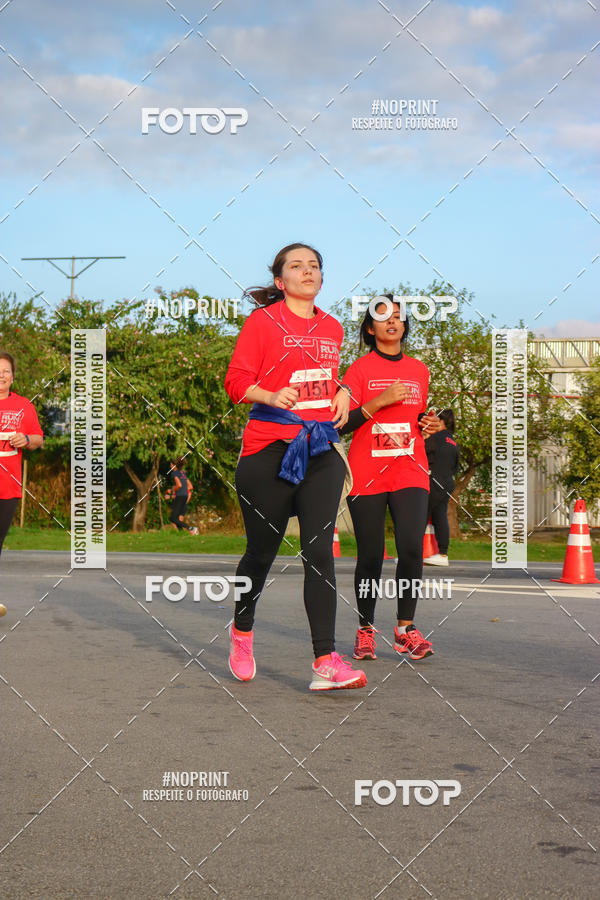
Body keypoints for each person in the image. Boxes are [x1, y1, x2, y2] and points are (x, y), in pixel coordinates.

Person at [224, 242, 367, 691]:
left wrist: (343, 388)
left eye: (315, 266)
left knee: (319, 551)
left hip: (321, 449)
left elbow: (321, 374)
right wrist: (269, 395)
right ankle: (242, 630)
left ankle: (325, 660)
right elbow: (236, 382)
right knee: (260, 554)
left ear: (321, 279)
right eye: (297, 266)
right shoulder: (261, 322)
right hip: (268, 450)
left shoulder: (332, 326)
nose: (308, 271)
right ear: (281, 280)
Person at [339, 296, 441, 663]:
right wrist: (380, 400)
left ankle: (405, 629)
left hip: (410, 469)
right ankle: (366, 629)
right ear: (370, 328)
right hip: (367, 472)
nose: (393, 322)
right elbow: (344, 423)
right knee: (370, 555)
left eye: (398, 316)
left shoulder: (419, 370)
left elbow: (416, 418)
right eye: (384, 318)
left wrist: (429, 423)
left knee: (412, 548)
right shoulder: (359, 370)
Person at [0, 351, 44, 568]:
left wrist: (25, 439)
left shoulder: (24, 406)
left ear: (13, 377)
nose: (1, 375)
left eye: (6, 371)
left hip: (8, 487)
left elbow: (38, 439)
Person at [424, 409, 459, 567]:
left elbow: (423, 453)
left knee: (420, 517)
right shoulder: (453, 442)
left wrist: (424, 437)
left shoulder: (434, 438)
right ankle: (443, 554)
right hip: (447, 483)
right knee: (440, 517)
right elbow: (455, 467)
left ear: (442, 422)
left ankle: (412, 555)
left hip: (434, 481)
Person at [165, 459, 198, 534]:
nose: (170, 466)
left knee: (173, 518)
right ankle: (181, 533)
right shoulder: (182, 473)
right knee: (176, 518)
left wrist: (173, 489)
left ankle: (192, 528)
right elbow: (190, 486)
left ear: (174, 466)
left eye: (171, 465)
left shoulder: (175, 473)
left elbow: (179, 485)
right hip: (185, 496)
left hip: (179, 496)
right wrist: (182, 489)